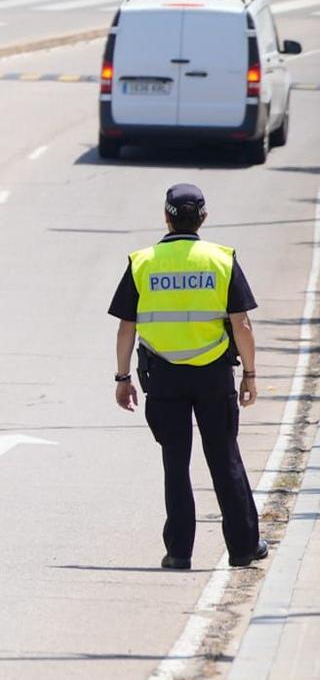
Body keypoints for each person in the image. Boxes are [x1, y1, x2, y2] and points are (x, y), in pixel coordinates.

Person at [110, 184, 269, 572]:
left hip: (163, 376)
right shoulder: (221, 260)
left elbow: (126, 328)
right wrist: (249, 374)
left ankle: (179, 551)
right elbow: (242, 325)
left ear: (166, 217)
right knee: (224, 457)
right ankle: (244, 547)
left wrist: (122, 377)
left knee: (176, 463)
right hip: (213, 374)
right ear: (203, 219)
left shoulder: (143, 262)